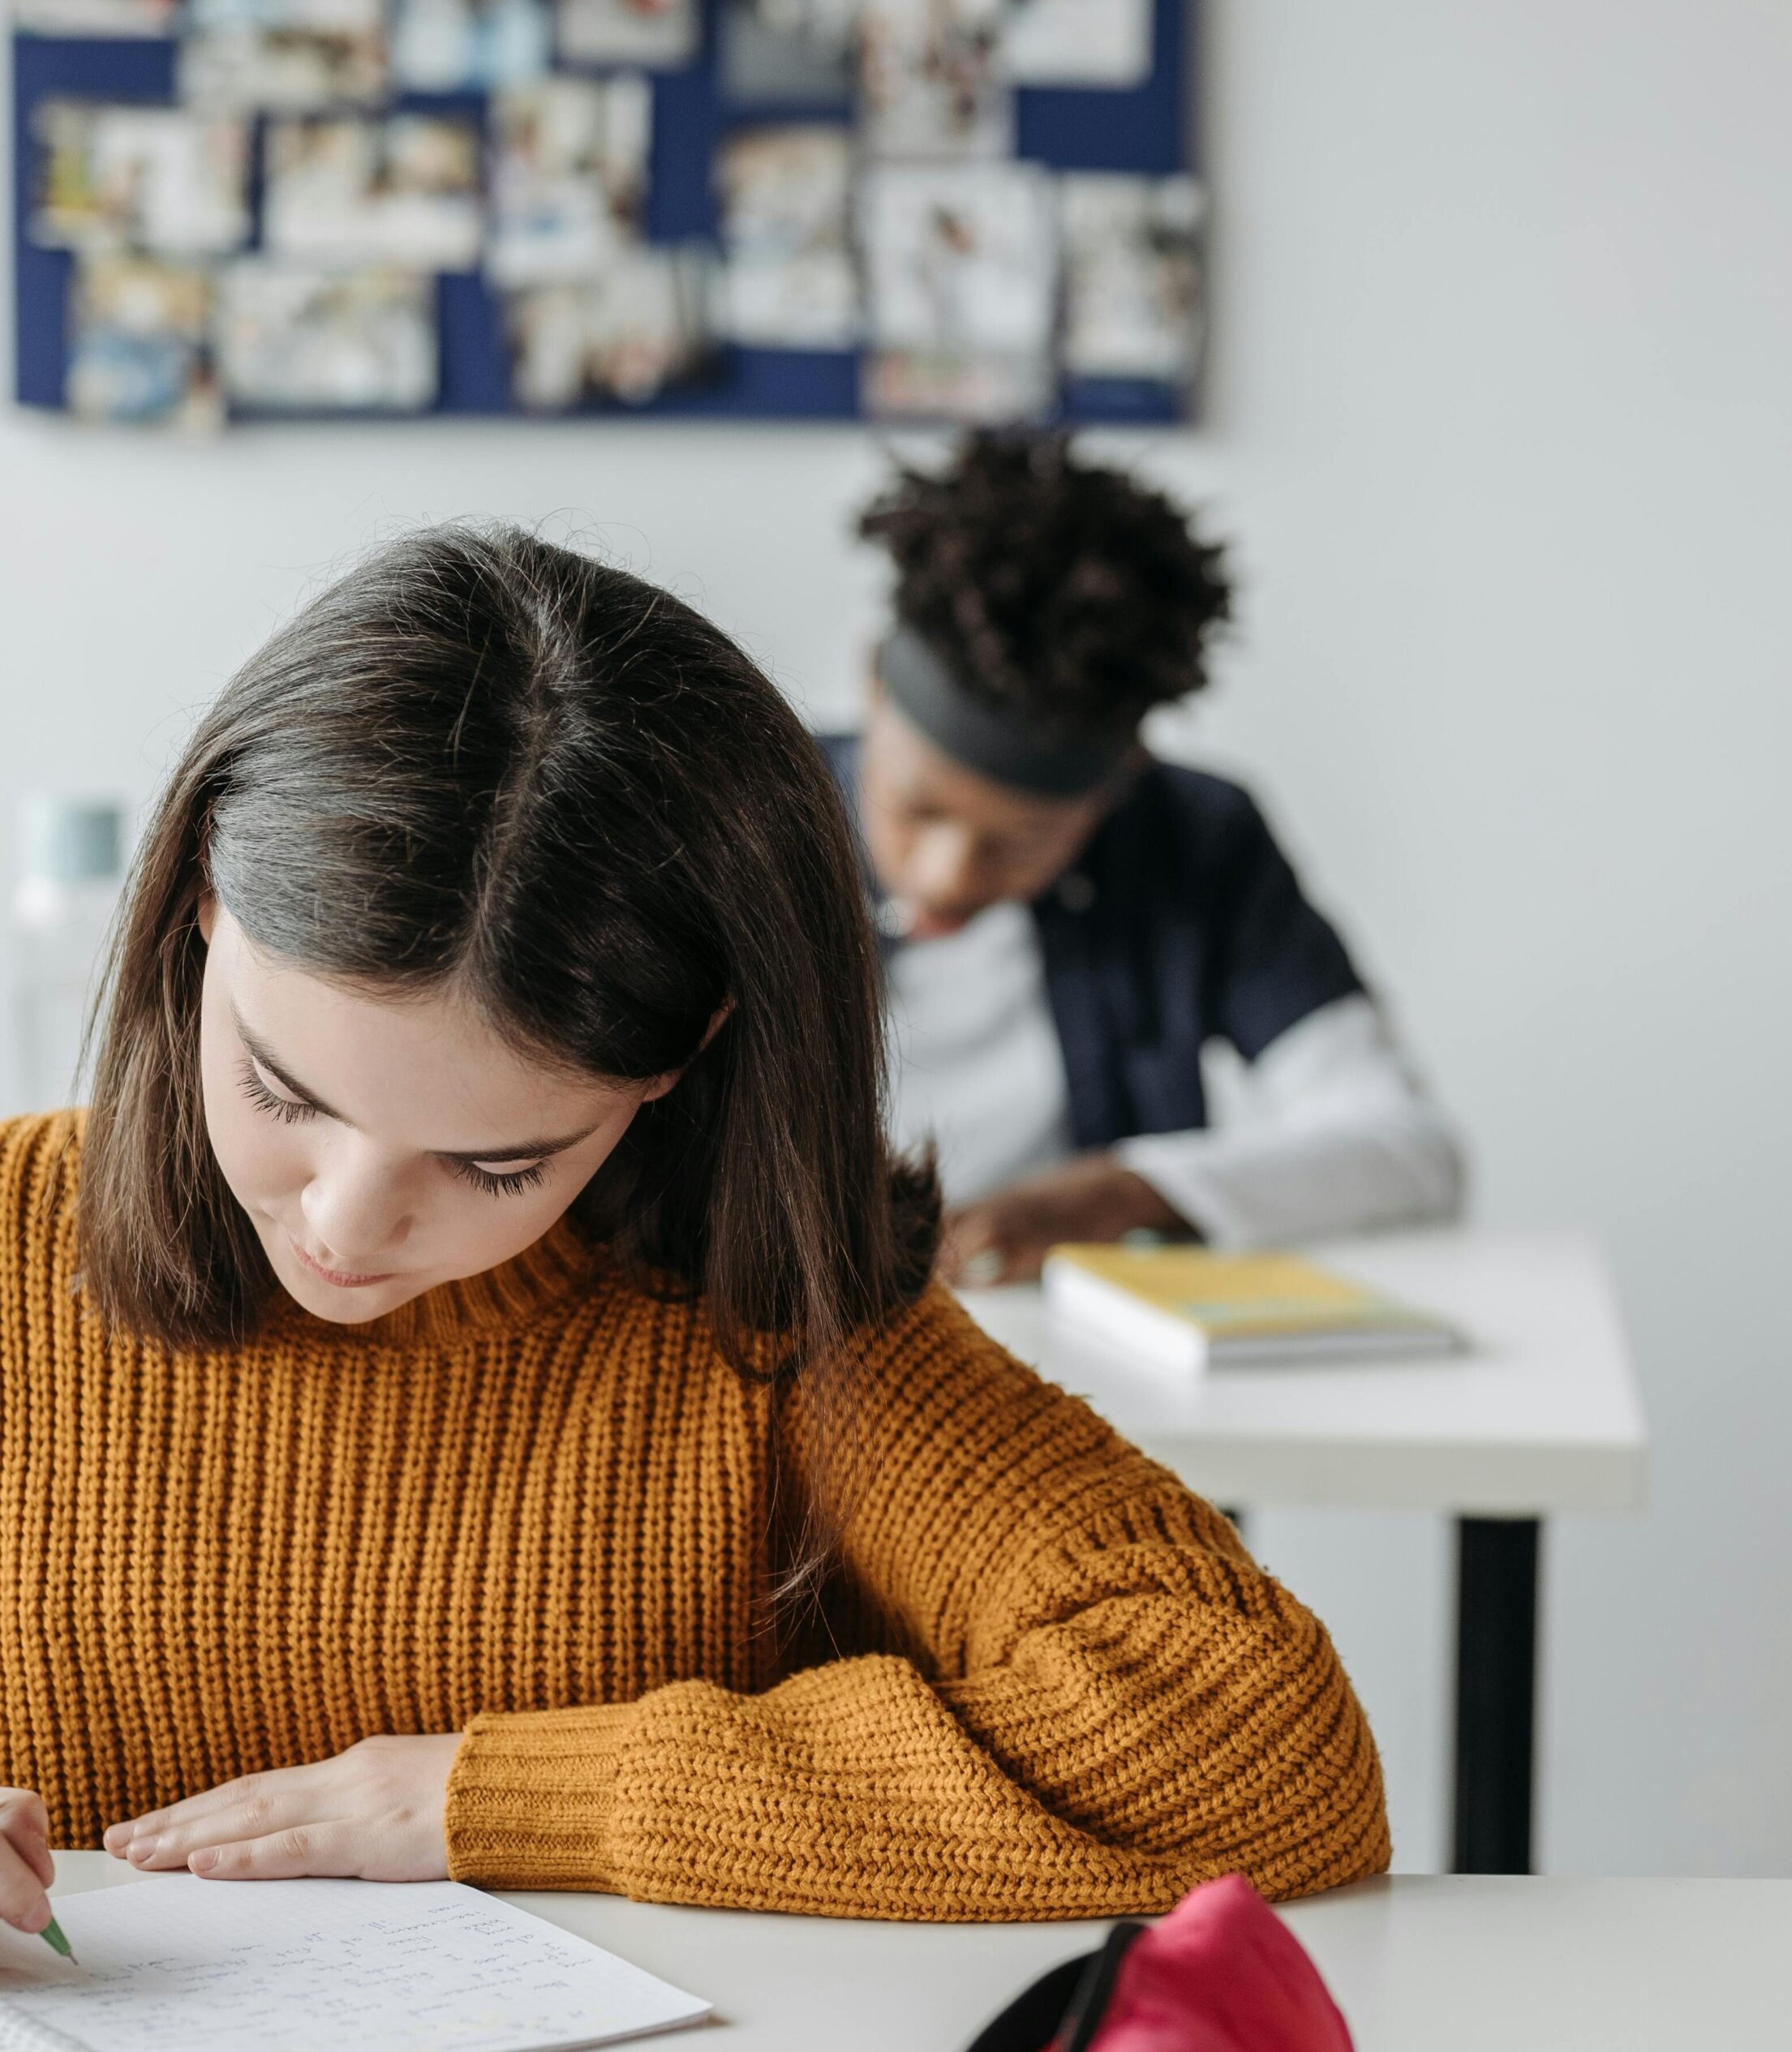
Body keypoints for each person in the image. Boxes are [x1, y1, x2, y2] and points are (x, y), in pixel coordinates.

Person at [0, 526, 1387, 1942]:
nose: (347, 1222)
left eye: (496, 1162)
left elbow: (1258, 1739)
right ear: (199, 911)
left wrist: (525, 1796)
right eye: (283, 1090)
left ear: (680, 1059)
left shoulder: (771, 1325)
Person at [836, 431, 1467, 1286]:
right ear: (871, 686)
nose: (947, 874)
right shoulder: (729, 818)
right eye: (916, 808)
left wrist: (1121, 1194)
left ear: (1120, 778)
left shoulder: (1194, 839)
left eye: (1020, 841)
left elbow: (1407, 1149)